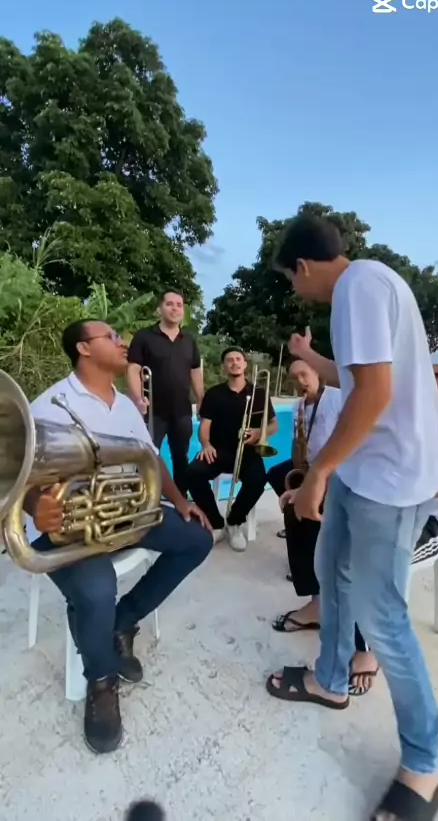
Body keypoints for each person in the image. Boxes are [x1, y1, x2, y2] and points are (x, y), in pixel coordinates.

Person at [267, 214, 438, 821]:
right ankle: (330, 680)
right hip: (364, 470)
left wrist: (318, 472)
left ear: (303, 266)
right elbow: (354, 380)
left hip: (389, 480)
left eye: (290, 279)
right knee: (331, 567)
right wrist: (309, 356)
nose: (296, 290)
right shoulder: (366, 288)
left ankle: (425, 765)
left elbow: (374, 394)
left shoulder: (359, 287)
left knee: (383, 616)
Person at [27, 319, 213, 755]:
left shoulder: (128, 406)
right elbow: (18, 474)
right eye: (110, 336)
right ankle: (101, 681)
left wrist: (179, 501)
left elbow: (150, 459)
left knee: (197, 539)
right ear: (83, 348)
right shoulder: (48, 405)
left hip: (123, 514)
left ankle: (122, 621)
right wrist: (37, 507)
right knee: (97, 588)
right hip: (67, 528)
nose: (121, 341)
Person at [267, 358, 377, 693]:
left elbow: (350, 449)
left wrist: (314, 484)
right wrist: (300, 478)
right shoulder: (300, 406)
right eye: (295, 377)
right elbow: (303, 449)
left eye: (305, 373)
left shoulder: (339, 399)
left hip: (345, 478)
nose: (300, 381)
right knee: (294, 511)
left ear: (319, 372)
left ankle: (365, 649)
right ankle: (316, 600)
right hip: (318, 472)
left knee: (342, 558)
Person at [185, 347, 278, 552]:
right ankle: (216, 523)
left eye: (238, 359)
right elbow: (205, 426)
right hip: (219, 450)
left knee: (258, 480)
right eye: (229, 360)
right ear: (224, 367)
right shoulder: (214, 394)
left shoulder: (259, 393)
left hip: (248, 452)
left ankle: (235, 521)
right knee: (192, 474)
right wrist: (206, 445)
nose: (234, 363)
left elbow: (274, 424)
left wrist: (259, 433)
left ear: (245, 364)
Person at [127, 290, 204, 495]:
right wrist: (138, 399)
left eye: (179, 305)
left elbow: (195, 371)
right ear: (159, 309)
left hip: (182, 411)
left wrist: (201, 398)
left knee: (181, 457)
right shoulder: (144, 337)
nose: (175, 308)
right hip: (152, 411)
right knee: (147, 457)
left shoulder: (189, 339)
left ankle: (180, 500)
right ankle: (143, 499)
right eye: (170, 304)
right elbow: (133, 369)